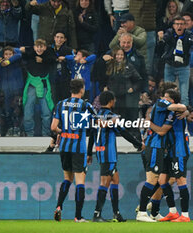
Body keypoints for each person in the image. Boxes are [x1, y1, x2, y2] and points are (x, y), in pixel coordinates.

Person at [88, 90, 144, 222]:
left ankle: (116, 213)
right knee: (105, 182)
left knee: (115, 179)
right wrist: (138, 144)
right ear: (111, 101)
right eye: (114, 99)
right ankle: (97, 214)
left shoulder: (96, 116)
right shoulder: (111, 116)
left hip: (100, 151)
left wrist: (89, 153)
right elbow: (124, 132)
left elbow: (91, 135)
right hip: (109, 153)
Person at [136, 88, 186, 222]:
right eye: (164, 96)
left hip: (159, 147)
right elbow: (180, 107)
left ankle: (154, 212)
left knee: (159, 179)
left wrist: (185, 111)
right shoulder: (161, 103)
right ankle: (141, 212)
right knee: (152, 179)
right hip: (154, 146)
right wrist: (183, 108)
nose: (164, 98)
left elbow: (181, 109)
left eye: (167, 97)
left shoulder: (169, 112)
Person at [51, 79, 97, 223]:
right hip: (79, 147)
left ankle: (59, 206)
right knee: (80, 181)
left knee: (67, 179)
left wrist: (62, 132)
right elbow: (96, 123)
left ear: (71, 90)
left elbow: (53, 127)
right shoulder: (85, 105)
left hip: (64, 146)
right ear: (82, 89)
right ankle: (78, 216)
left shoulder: (61, 104)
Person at [151, 90, 192, 222]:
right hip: (170, 151)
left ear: (173, 101)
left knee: (180, 180)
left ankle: (185, 215)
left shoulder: (176, 112)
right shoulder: (170, 111)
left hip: (179, 150)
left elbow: (163, 131)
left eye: (166, 97)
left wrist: (148, 123)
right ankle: (173, 212)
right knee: (163, 180)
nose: (163, 98)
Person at [156, 16, 193, 106]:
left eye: (181, 24)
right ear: (173, 26)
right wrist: (160, 38)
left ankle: (184, 116)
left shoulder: (188, 34)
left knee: (184, 96)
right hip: (170, 66)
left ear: (185, 26)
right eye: (177, 24)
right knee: (167, 93)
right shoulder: (169, 33)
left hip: (183, 67)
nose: (179, 26)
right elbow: (163, 42)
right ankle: (167, 113)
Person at [20, 38, 56, 137]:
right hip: (31, 85)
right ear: (34, 47)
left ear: (45, 47)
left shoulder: (49, 55)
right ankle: (29, 134)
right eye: (37, 47)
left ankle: (46, 134)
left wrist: (43, 60)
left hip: (43, 85)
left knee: (46, 113)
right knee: (28, 112)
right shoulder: (30, 54)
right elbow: (21, 51)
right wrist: (24, 49)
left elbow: (53, 59)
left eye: (41, 47)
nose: (39, 49)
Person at [102, 47, 142, 122]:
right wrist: (104, 87)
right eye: (117, 54)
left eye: (121, 55)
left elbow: (139, 80)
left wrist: (133, 88)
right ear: (114, 55)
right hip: (111, 97)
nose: (119, 56)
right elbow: (102, 78)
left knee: (122, 119)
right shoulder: (109, 65)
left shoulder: (129, 66)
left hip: (124, 98)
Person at [0, 46, 24, 136]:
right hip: (6, 90)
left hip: (17, 89)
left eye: (10, 54)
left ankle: (18, 129)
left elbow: (19, 54)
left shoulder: (16, 61)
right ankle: (10, 128)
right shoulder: (2, 64)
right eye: (6, 54)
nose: (8, 56)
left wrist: (9, 60)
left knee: (17, 109)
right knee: (7, 110)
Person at [51, 31, 73, 104]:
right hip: (53, 79)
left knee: (65, 100)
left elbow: (75, 58)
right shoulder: (50, 49)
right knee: (54, 100)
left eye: (61, 38)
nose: (59, 40)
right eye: (57, 37)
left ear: (65, 40)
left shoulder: (68, 50)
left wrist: (65, 58)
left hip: (65, 79)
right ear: (54, 38)